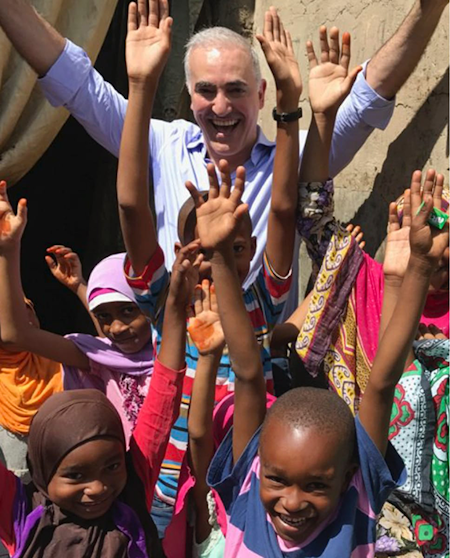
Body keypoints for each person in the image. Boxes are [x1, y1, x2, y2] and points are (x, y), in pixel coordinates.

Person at [0, 0, 446, 313]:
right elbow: (79, 87)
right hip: (171, 364)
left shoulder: (292, 161)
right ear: (189, 97)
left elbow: (364, 101)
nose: (220, 106)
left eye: (235, 90)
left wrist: (429, 10)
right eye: (206, 91)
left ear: (261, 94)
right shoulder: (161, 144)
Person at [191, 131, 449, 556]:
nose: (292, 502)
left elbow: (382, 383)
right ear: (256, 466)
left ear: (350, 474)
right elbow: (248, 373)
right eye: (277, 479)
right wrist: (218, 256)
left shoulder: (358, 500)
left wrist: (419, 268)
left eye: (316, 485)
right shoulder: (247, 489)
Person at [0, 175, 204, 557]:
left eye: (129, 310)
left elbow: (163, 391)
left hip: (167, 486)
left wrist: (174, 306)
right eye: (75, 475)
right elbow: (17, 335)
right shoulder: (25, 517)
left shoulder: (128, 489)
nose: (96, 488)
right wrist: (7, 253)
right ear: (44, 472)